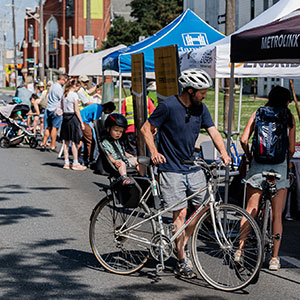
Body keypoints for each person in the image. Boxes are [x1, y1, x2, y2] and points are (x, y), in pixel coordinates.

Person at [140, 68, 231, 279]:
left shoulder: (201, 109)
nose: (205, 95)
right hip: (171, 168)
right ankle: (182, 258)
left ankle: (180, 242)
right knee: (180, 213)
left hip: (192, 166)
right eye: (202, 91)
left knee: (202, 207)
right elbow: (146, 128)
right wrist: (154, 152)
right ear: (190, 90)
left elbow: (213, 131)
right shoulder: (168, 106)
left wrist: (224, 153)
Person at [237, 85, 295, 271]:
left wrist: (249, 157)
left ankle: (239, 250)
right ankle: (275, 258)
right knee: (277, 216)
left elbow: (244, 140)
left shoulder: (258, 113)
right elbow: (292, 148)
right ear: (287, 101)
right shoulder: (289, 116)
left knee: (250, 209)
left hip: (258, 165)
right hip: (279, 167)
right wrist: (286, 161)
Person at [102, 113, 140, 185]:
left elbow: (122, 151)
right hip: (117, 162)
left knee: (138, 160)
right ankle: (124, 178)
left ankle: (141, 175)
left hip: (124, 159)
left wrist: (129, 155)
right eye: (116, 130)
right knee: (121, 164)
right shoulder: (106, 142)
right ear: (108, 129)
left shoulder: (118, 141)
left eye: (121, 131)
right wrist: (114, 162)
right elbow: (108, 155)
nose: (118, 133)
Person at [60, 79, 86, 171]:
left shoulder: (64, 95)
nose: (78, 89)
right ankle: (75, 162)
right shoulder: (74, 95)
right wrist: (81, 122)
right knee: (75, 141)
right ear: (74, 86)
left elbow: (61, 107)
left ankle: (66, 162)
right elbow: (76, 110)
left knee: (66, 142)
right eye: (78, 87)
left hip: (65, 118)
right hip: (73, 118)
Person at [80, 102, 116, 166]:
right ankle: (89, 159)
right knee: (91, 141)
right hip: (83, 122)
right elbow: (95, 123)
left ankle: (86, 158)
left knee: (86, 140)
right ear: (108, 109)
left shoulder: (98, 106)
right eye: (110, 111)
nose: (109, 113)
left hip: (82, 121)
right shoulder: (99, 108)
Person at [121, 89, 155, 156]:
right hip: (145, 129)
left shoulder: (127, 100)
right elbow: (153, 114)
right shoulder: (147, 100)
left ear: (130, 92)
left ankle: (135, 163)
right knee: (144, 149)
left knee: (132, 149)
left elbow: (123, 115)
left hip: (130, 129)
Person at [40, 73, 68, 151]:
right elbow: (62, 99)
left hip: (48, 108)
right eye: (65, 81)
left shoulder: (52, 86)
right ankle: (52, 145)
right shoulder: (59, 88)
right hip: (56, 110)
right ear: (62, 79)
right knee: (54, 128)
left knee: (48, 127)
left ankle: (44, 142)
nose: (65, 82)